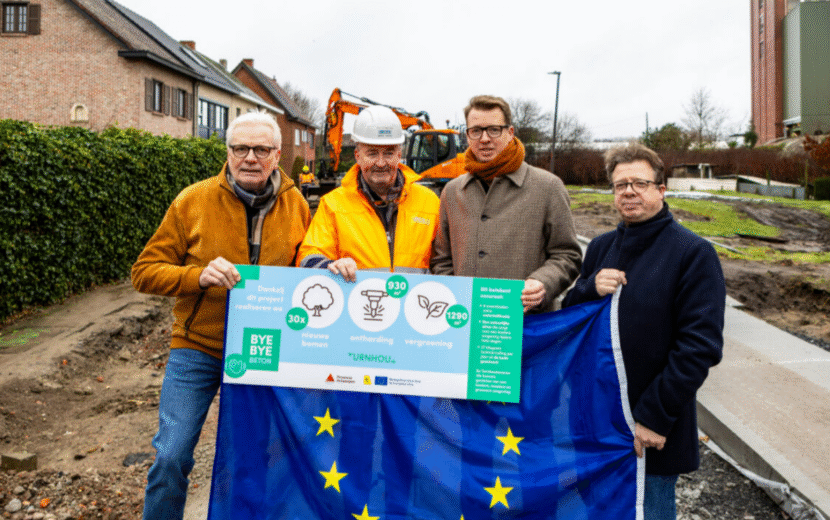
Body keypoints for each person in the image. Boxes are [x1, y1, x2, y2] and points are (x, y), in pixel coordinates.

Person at [131, 111, 310, 519]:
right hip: (198, 348)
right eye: (240, 149)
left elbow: (309, 267)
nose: (250, 157)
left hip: (266, 351)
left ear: (277, 155)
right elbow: (143, 272)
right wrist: (198, 276)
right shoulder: (192, 200)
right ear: (227, 153)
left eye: (261, 149)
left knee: (257, 458)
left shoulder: (296, 205)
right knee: (172, 456)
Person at [562, 143, 725, 519]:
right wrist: (588, 289)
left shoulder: (693, 253)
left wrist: (654, 415)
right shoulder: (601, 248)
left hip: (647, 430)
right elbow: (575, 325)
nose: (629, 191)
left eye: (639, 183)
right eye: (621, 185)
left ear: (661, 190)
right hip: (599, 423)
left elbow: (699, 346)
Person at [430, 95, 582, 312]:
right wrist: (457, 296)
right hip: (467, 324)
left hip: (529, 325)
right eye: (476, 131)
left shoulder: (548, 187)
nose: (484, 139)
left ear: (510, 133)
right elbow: (442, 259)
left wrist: (543, 282)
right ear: (467, 135)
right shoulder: (452, 192)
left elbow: (568, 255)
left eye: (494, 129)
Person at [297, 105, 439, 281]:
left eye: (388, 153)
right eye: (372, 153)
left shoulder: (430, 203)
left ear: (399, 154)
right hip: (359, 307)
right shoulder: (333, 205)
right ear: (357, 156)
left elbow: (446, 263)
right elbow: (308, 257)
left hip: (414, 305)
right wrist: (331, 265)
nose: (380, 163)